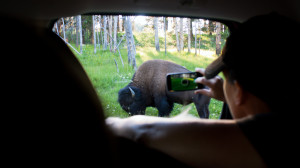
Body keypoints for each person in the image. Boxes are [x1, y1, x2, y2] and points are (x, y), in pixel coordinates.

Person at [106, 13, 299, 168]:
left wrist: (110, 124)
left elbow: (143, 132)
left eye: (225, 80)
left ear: (239, 91)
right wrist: (225, 95)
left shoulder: (272, 137)